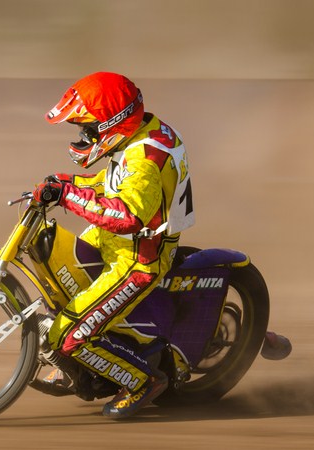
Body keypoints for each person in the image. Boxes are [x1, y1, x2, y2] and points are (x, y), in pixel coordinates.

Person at [31, 72, 195, 419]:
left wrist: (68, 195)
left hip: (139, 257)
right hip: (113, 239)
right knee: (59, 278)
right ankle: (80, 366)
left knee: (69, 336)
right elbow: (114, 182)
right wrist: (68, 182)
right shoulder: (142, 132)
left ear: (113, 123)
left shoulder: (145, 157)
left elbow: (128, 216)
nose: (84, 137)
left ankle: (143, 381)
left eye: (89, 129)